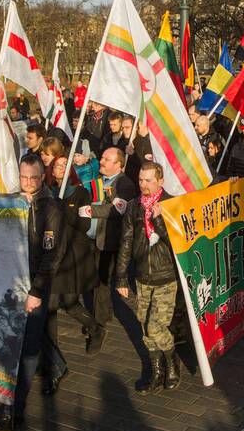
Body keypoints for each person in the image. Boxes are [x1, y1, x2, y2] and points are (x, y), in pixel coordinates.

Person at [0, 154, 67, 431]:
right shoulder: (12, 201)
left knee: (26, 347)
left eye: (35, 177)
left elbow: (52, 255)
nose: (29, 182)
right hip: (11, 282)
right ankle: (57, 365)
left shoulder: (51, 208)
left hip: (35, 285)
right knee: (17, 339)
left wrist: (36, 291)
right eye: (24, 177)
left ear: (43, 176)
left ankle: (14, 408)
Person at [115, 161, 180, 394]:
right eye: (141, 180)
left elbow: (178, 243)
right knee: (145, 327)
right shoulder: (134, 207)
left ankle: (173, 364)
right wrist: (121, 277)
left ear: (160, 181)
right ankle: (157, 371)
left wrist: (159, 220)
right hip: (142, 276)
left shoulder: (171, 203)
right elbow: (126, 242)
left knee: (156, 326)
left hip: (165, 276)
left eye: (149, 180)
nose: (144, 184)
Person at [47, 155, 101, 370]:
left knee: (69, 303)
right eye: (56, 166)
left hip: (73, 255)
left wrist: (62, 212)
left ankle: (95, 328)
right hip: (52, 255)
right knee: (51, 303)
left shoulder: (80, 193)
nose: (60, 168)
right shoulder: (47, 192)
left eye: (63, 165)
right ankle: (51, 353)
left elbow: (84, 225)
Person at [83, 147, 139, 351]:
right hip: (93, 238)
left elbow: (117, 209)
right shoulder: (98, 180)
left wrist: (89, 211)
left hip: (110, 241)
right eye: (102, 157)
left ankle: (99, 325)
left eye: (107, 159)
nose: (102, 161)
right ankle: (103, 313)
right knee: (93, 279)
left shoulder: (124, 183)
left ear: (119, 165)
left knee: (102, 282)